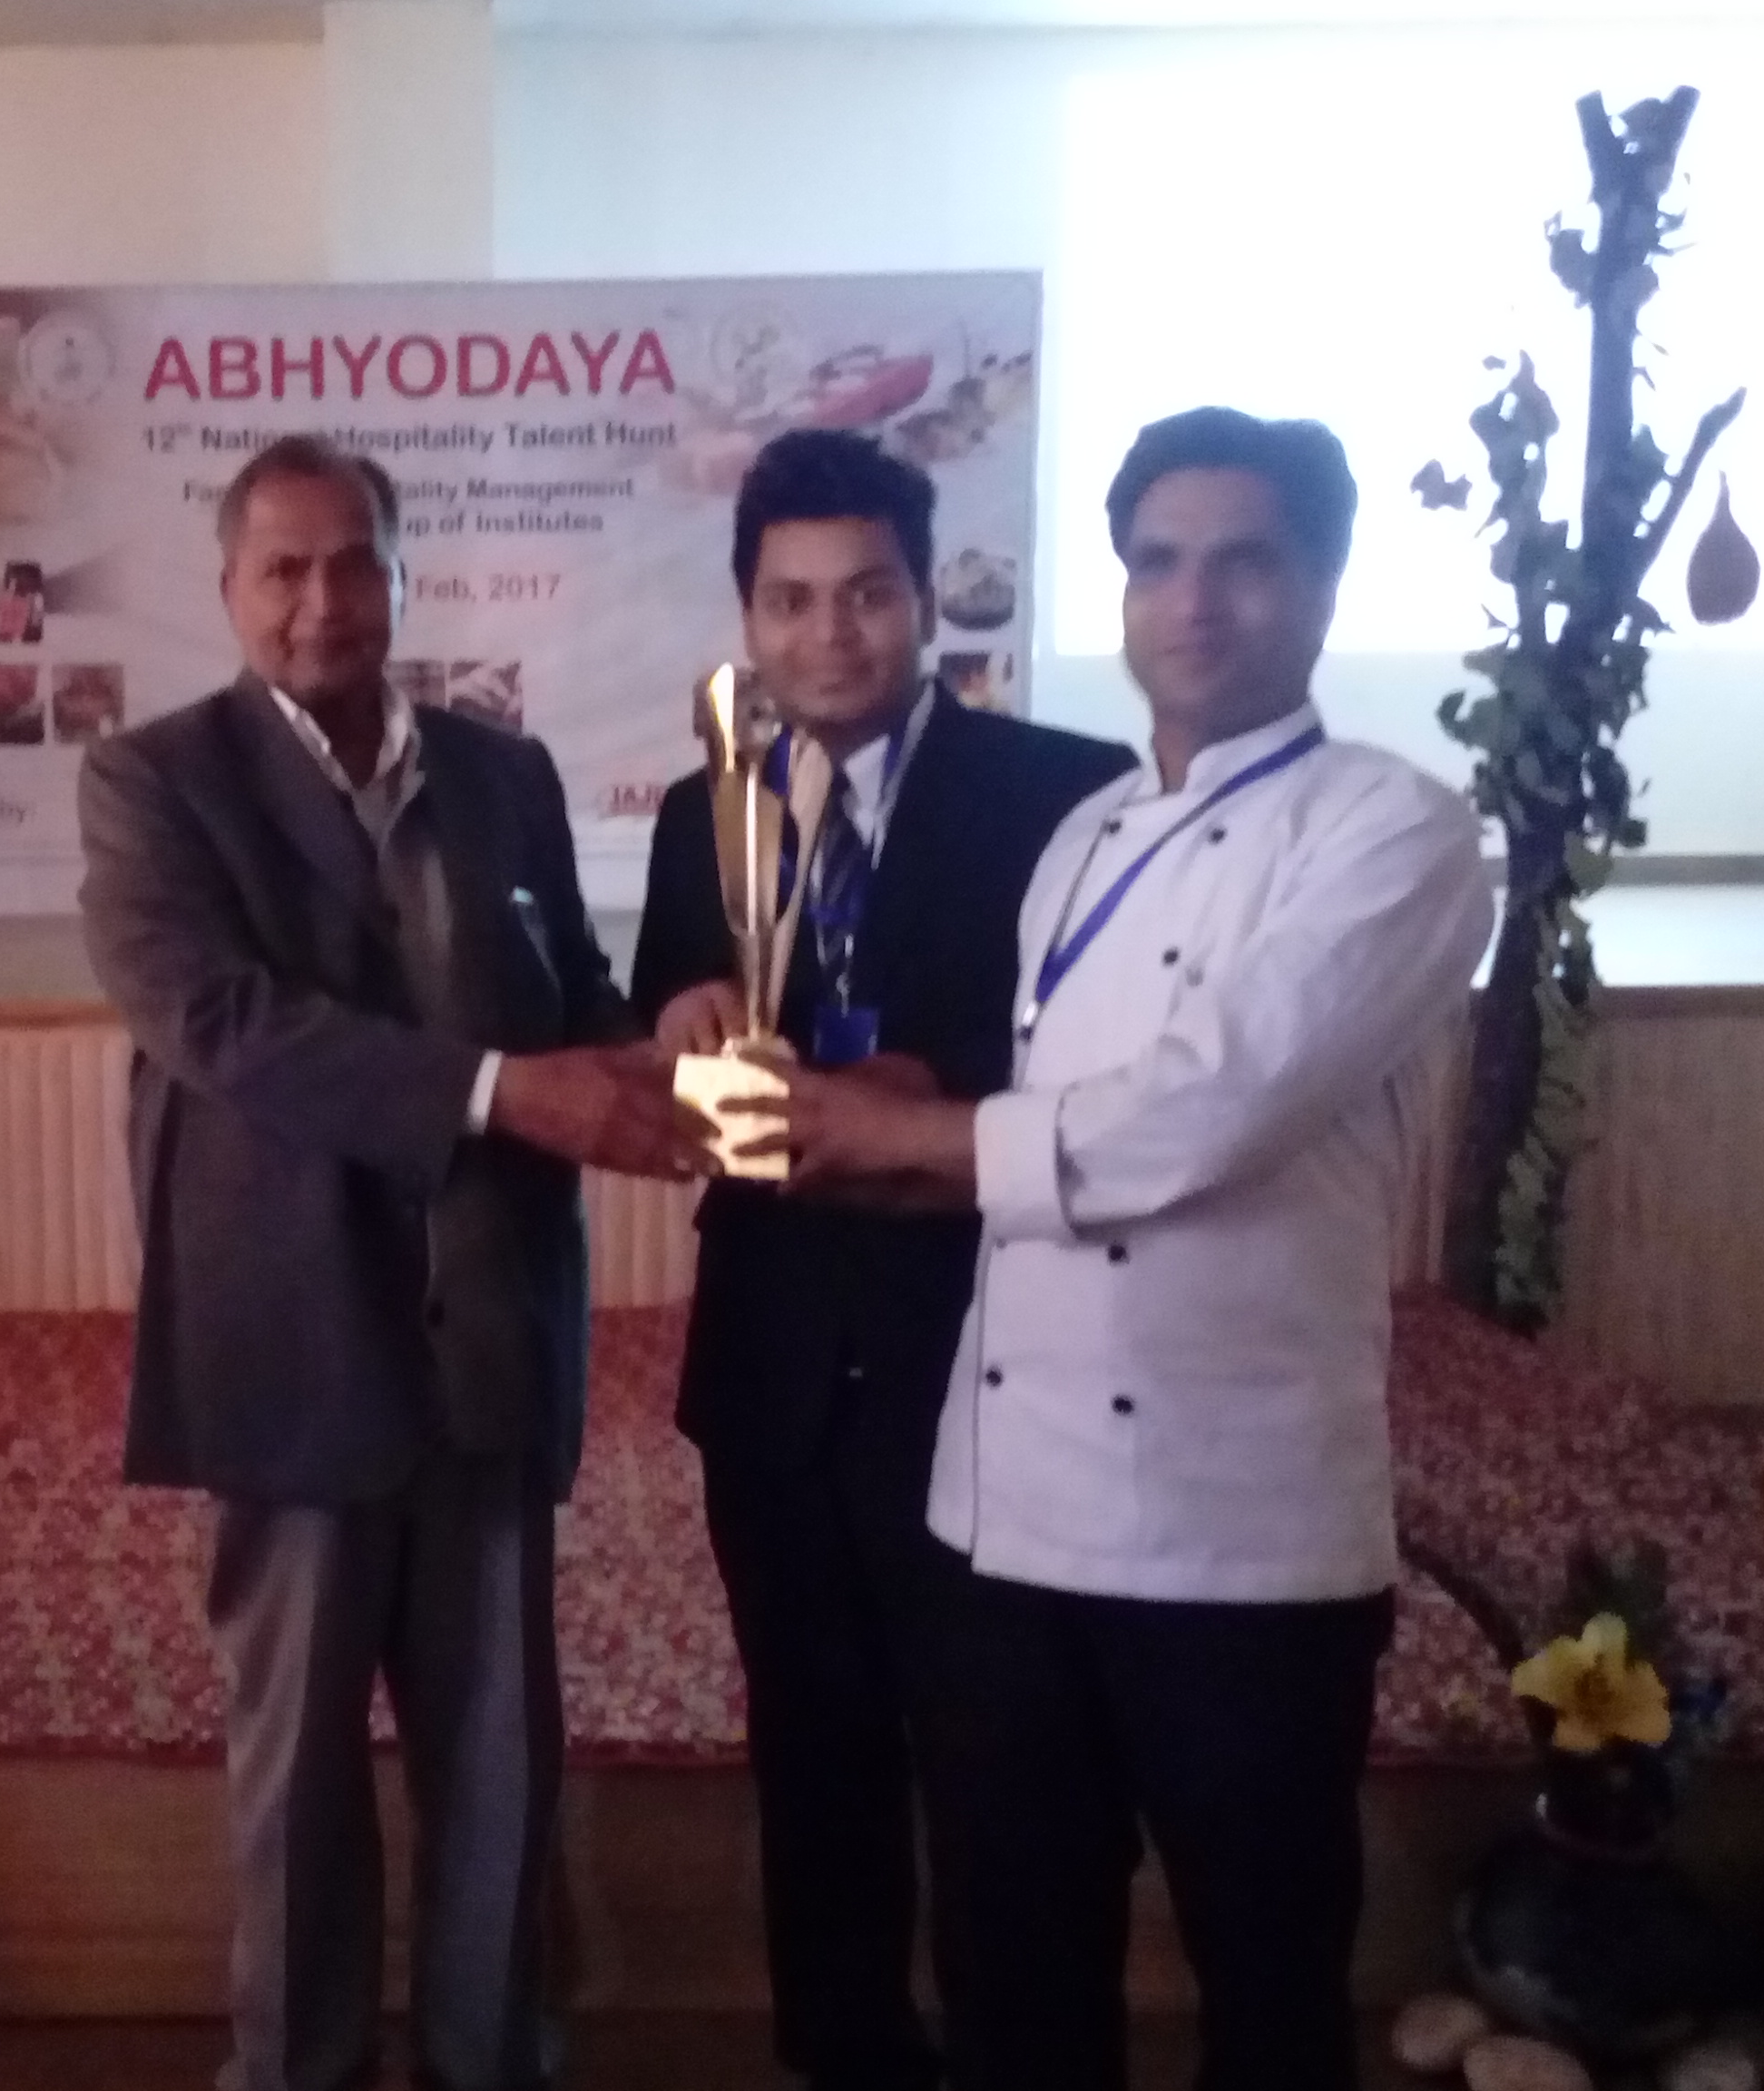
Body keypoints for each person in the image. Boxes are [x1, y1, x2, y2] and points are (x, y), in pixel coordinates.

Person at [734, 409, 1495, 2091]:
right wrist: (836, 1133)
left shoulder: (1397, 832)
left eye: (1244, 560)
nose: (1194, 600)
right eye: (1158, 562)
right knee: (1014, 1973)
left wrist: (890, 1135)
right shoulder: (1082, 841)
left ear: (1324, 584)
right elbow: (1032, 1130)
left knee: (1265, 1980)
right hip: (1010, 1512)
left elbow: (1195, 1111)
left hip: (1239, 1529)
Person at [79, 436, 699, 2091]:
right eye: (283, 568)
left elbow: (567, 996)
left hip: (489, 1336)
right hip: (294, 1345)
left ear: (406, 575)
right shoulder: (154, 782)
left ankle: (492, 2062)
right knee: (296, 1773)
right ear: (228, 588)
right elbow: (225, 1025)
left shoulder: (506, 773)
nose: (323, 600)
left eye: (355, 561)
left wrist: (664, 1043)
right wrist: (508, 1091)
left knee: (498, 1765)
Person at [630, 429, 1131, 2091]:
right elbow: (666, 1017)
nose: (828, 633)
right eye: (790, 600)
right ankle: (844, 2054)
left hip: (980, 1349)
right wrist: (680, 1015)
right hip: (774, 1368)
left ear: (925, 602)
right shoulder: (703, 815)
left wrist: (931, 1095)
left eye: (865, 594)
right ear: (747, 616)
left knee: (1006, 1765)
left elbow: (1098, 1060)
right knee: (813, 1748)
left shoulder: (1062, 795)